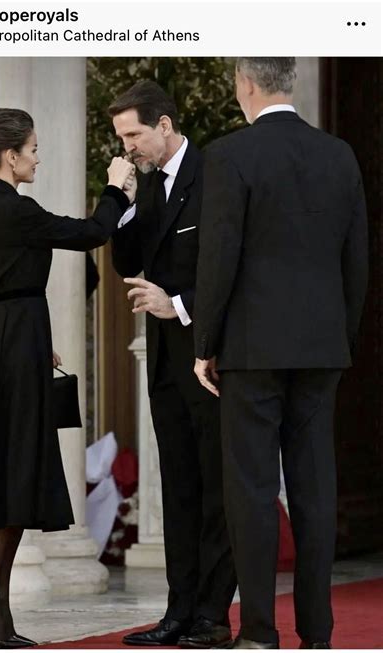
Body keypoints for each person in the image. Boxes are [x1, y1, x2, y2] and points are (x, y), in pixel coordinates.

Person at [0, 108, 135, 649]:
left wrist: (35, 341)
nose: (38, 158)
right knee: (13, 471)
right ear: (11, 155)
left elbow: (8, 283)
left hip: (5, 341)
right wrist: (116, 188)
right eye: (34, 149)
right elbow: (92, 232)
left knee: (8, 471)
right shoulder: (14, 211)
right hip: (16, 343)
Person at [194, 58, 368, 649]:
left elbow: (218, 259)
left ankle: (261, 633)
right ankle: (318, 632)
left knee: (252, 491)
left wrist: (205, 344)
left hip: (250, 348)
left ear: (245, 84)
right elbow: (356, 261)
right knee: (316, 489)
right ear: (288, 83)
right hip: (321, 347)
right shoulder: (339, 155)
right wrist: (340, 337)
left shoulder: (229, 155)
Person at [109, 81, 237, 648]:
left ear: (165, 125)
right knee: (179, 491)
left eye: (133, 134)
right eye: (121, 137)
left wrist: (177, 305)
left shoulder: (213, 175)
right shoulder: (150, 186)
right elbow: (128, 264)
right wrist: (122, 200)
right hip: (163, 364)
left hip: (207, 359)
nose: (128, 145)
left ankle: (212, 617)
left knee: (216, 490)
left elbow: (225, 264)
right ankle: (178, 614)